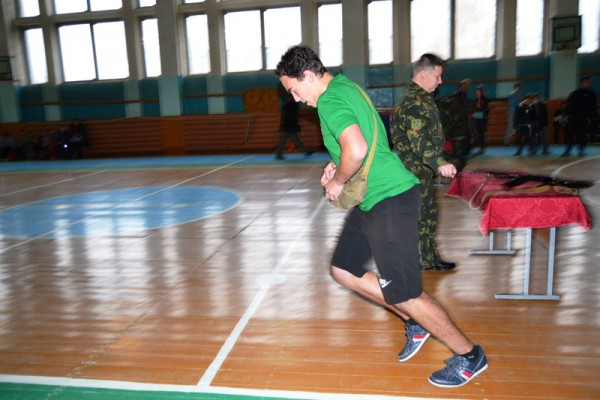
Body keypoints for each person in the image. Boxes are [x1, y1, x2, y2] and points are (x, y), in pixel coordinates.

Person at [275, 46, 487, 388]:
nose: (296, 98)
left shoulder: (329, 101)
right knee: (344, 269)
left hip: (389, 198)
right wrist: (336, 162)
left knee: (406, 292)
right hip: (373, 199)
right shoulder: (345, 86)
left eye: (293, 89)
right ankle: (415, 322)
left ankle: (469, 355)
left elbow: (357, 149)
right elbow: (367, 137)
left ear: (308, 76)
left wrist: (338, 181)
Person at [391, 53, 457, 272]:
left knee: (427, 214)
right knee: (414, 216)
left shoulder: (423, 98)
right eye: (437, 77)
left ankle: (428, 258)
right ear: (422, 75)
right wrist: (439, 162)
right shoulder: (413, 102)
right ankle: (402, 262)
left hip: (421, 169)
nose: (440, 81)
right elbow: (418, 141)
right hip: (411, 171)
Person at [562, 77, 598, 157]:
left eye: (588, 83)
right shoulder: (575, 93)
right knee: (569, 135)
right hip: (573, 117)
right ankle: (567, 151)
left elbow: (593, 107)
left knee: (581, 135)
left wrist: (592, 117)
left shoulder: (591, 94)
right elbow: (569, 105)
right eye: (586, 82)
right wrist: (567, 116)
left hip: (583, 118)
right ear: (581, 83)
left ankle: (581, 151)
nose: (587, 84)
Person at [274, 94, 313, 160]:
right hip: (288, 127)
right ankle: (305, 151)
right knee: (286, 141)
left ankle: (305, 151)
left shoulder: (289, 106)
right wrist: (296, 124)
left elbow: (291, 117)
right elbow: (292, 117)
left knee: (287, 141)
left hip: (288, 126)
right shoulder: (291, 106)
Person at [453, 78, 472, 156]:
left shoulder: (465, 95)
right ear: (460, 87)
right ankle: (462, 151)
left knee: (467, 135)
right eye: (464, 87)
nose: (466, 88)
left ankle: (466, 150)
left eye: (466, 87)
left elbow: (466, 106)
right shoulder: (456, 95)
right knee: (462, 135)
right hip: (459, 119)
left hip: (464, 118)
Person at [470, 85, 489, 155]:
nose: (477, 93)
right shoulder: (474, 100)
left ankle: (482, 147)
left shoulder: (485, 99)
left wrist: (479, 107)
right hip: (475, 118)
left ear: (481, 92)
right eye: (476, 92)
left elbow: (485, 108)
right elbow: (472, 108)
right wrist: (476, 107)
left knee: (481, 133)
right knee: (476, 133)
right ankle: (479, 146)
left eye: (478, 92)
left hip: (482, 118)